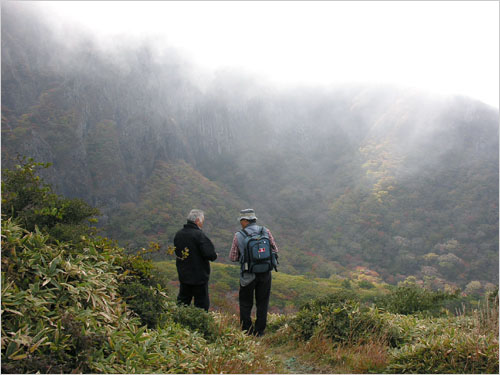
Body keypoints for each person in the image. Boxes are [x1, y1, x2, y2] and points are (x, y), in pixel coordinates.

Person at [229, 208, 279, 336]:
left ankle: (247, 331)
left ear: (245, 221)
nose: (241, 223)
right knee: (262, 303)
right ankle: (260, 331)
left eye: (241, 221)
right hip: (265, 273)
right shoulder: (265, 231)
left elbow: (233, 257)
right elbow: (275, 249)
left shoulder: (239, 235)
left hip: (248, 275)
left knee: (246, 303)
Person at [174, 209, 217, 311]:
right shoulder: (199, 235)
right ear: (197, 220)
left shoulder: (179, 234)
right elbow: (210, 254)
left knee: (183, 302)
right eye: (202, 221)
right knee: (201, 305)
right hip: (199, 276)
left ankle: (178, 322)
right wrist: (214, 255)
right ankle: (200, 324)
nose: (202, 223)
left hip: (184, 274)